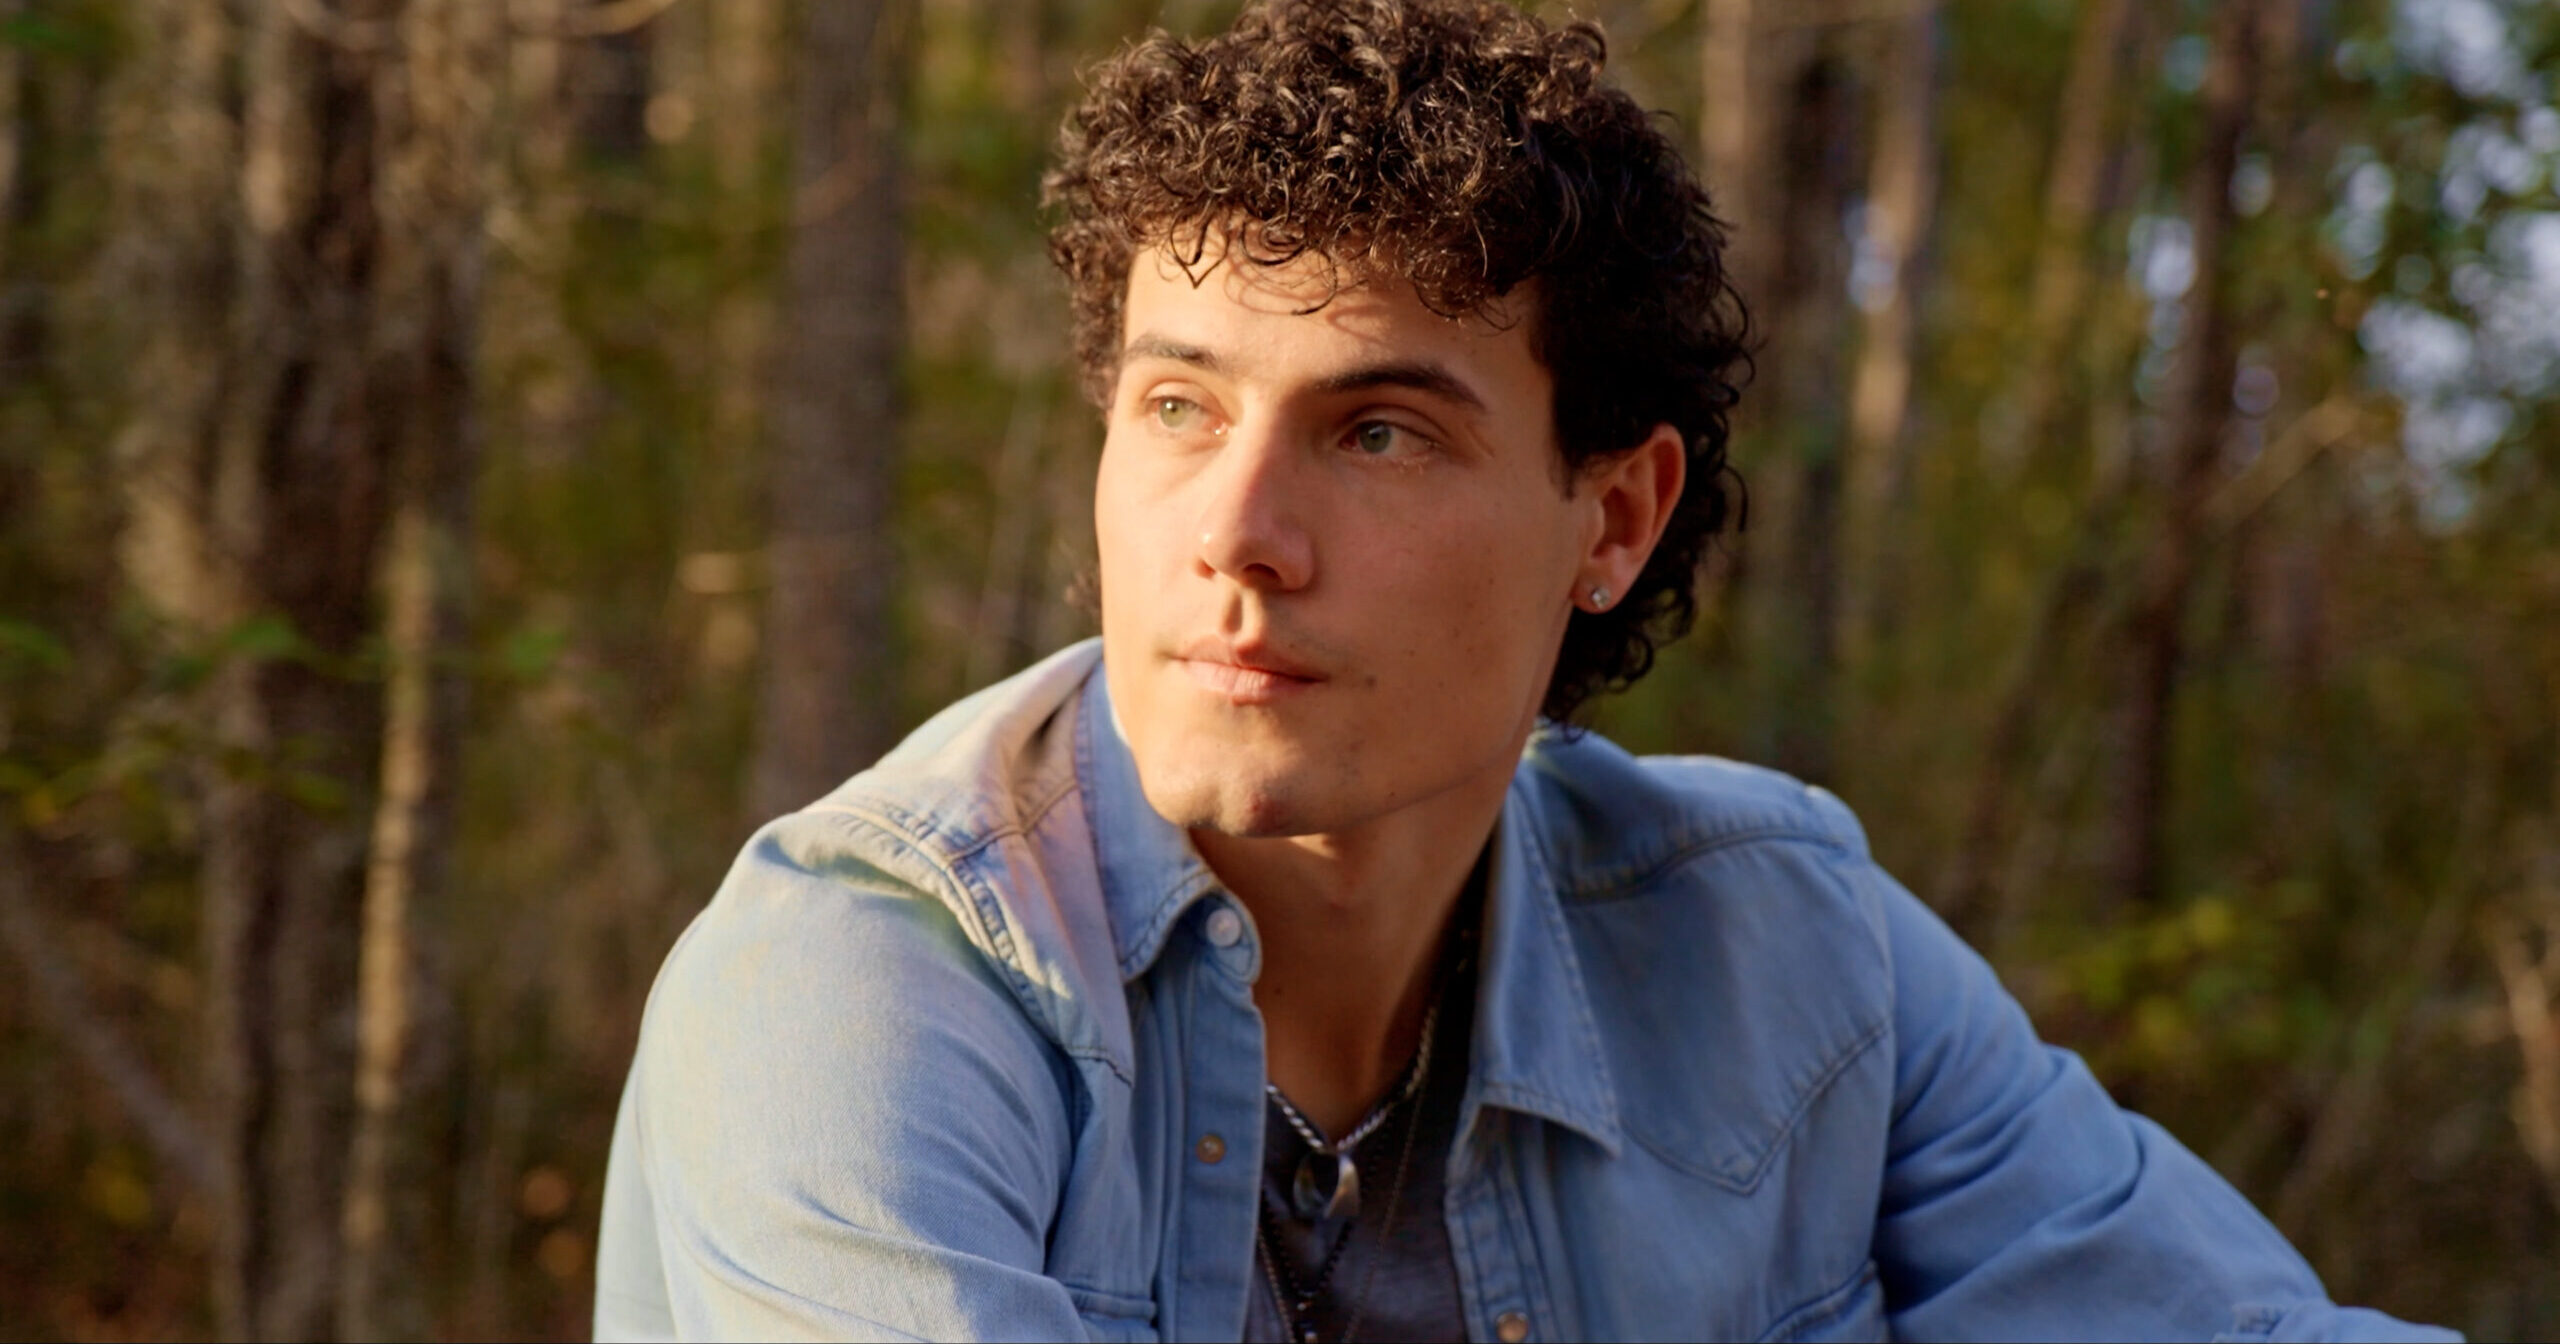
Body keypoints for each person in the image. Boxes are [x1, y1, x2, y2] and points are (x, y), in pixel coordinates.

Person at [593, 2, 2456, 1340]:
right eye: (1179, 407)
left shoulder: (1793, 957)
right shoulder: (862, 987)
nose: (1236, 532)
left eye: (1378, 432)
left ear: (1614, 518)